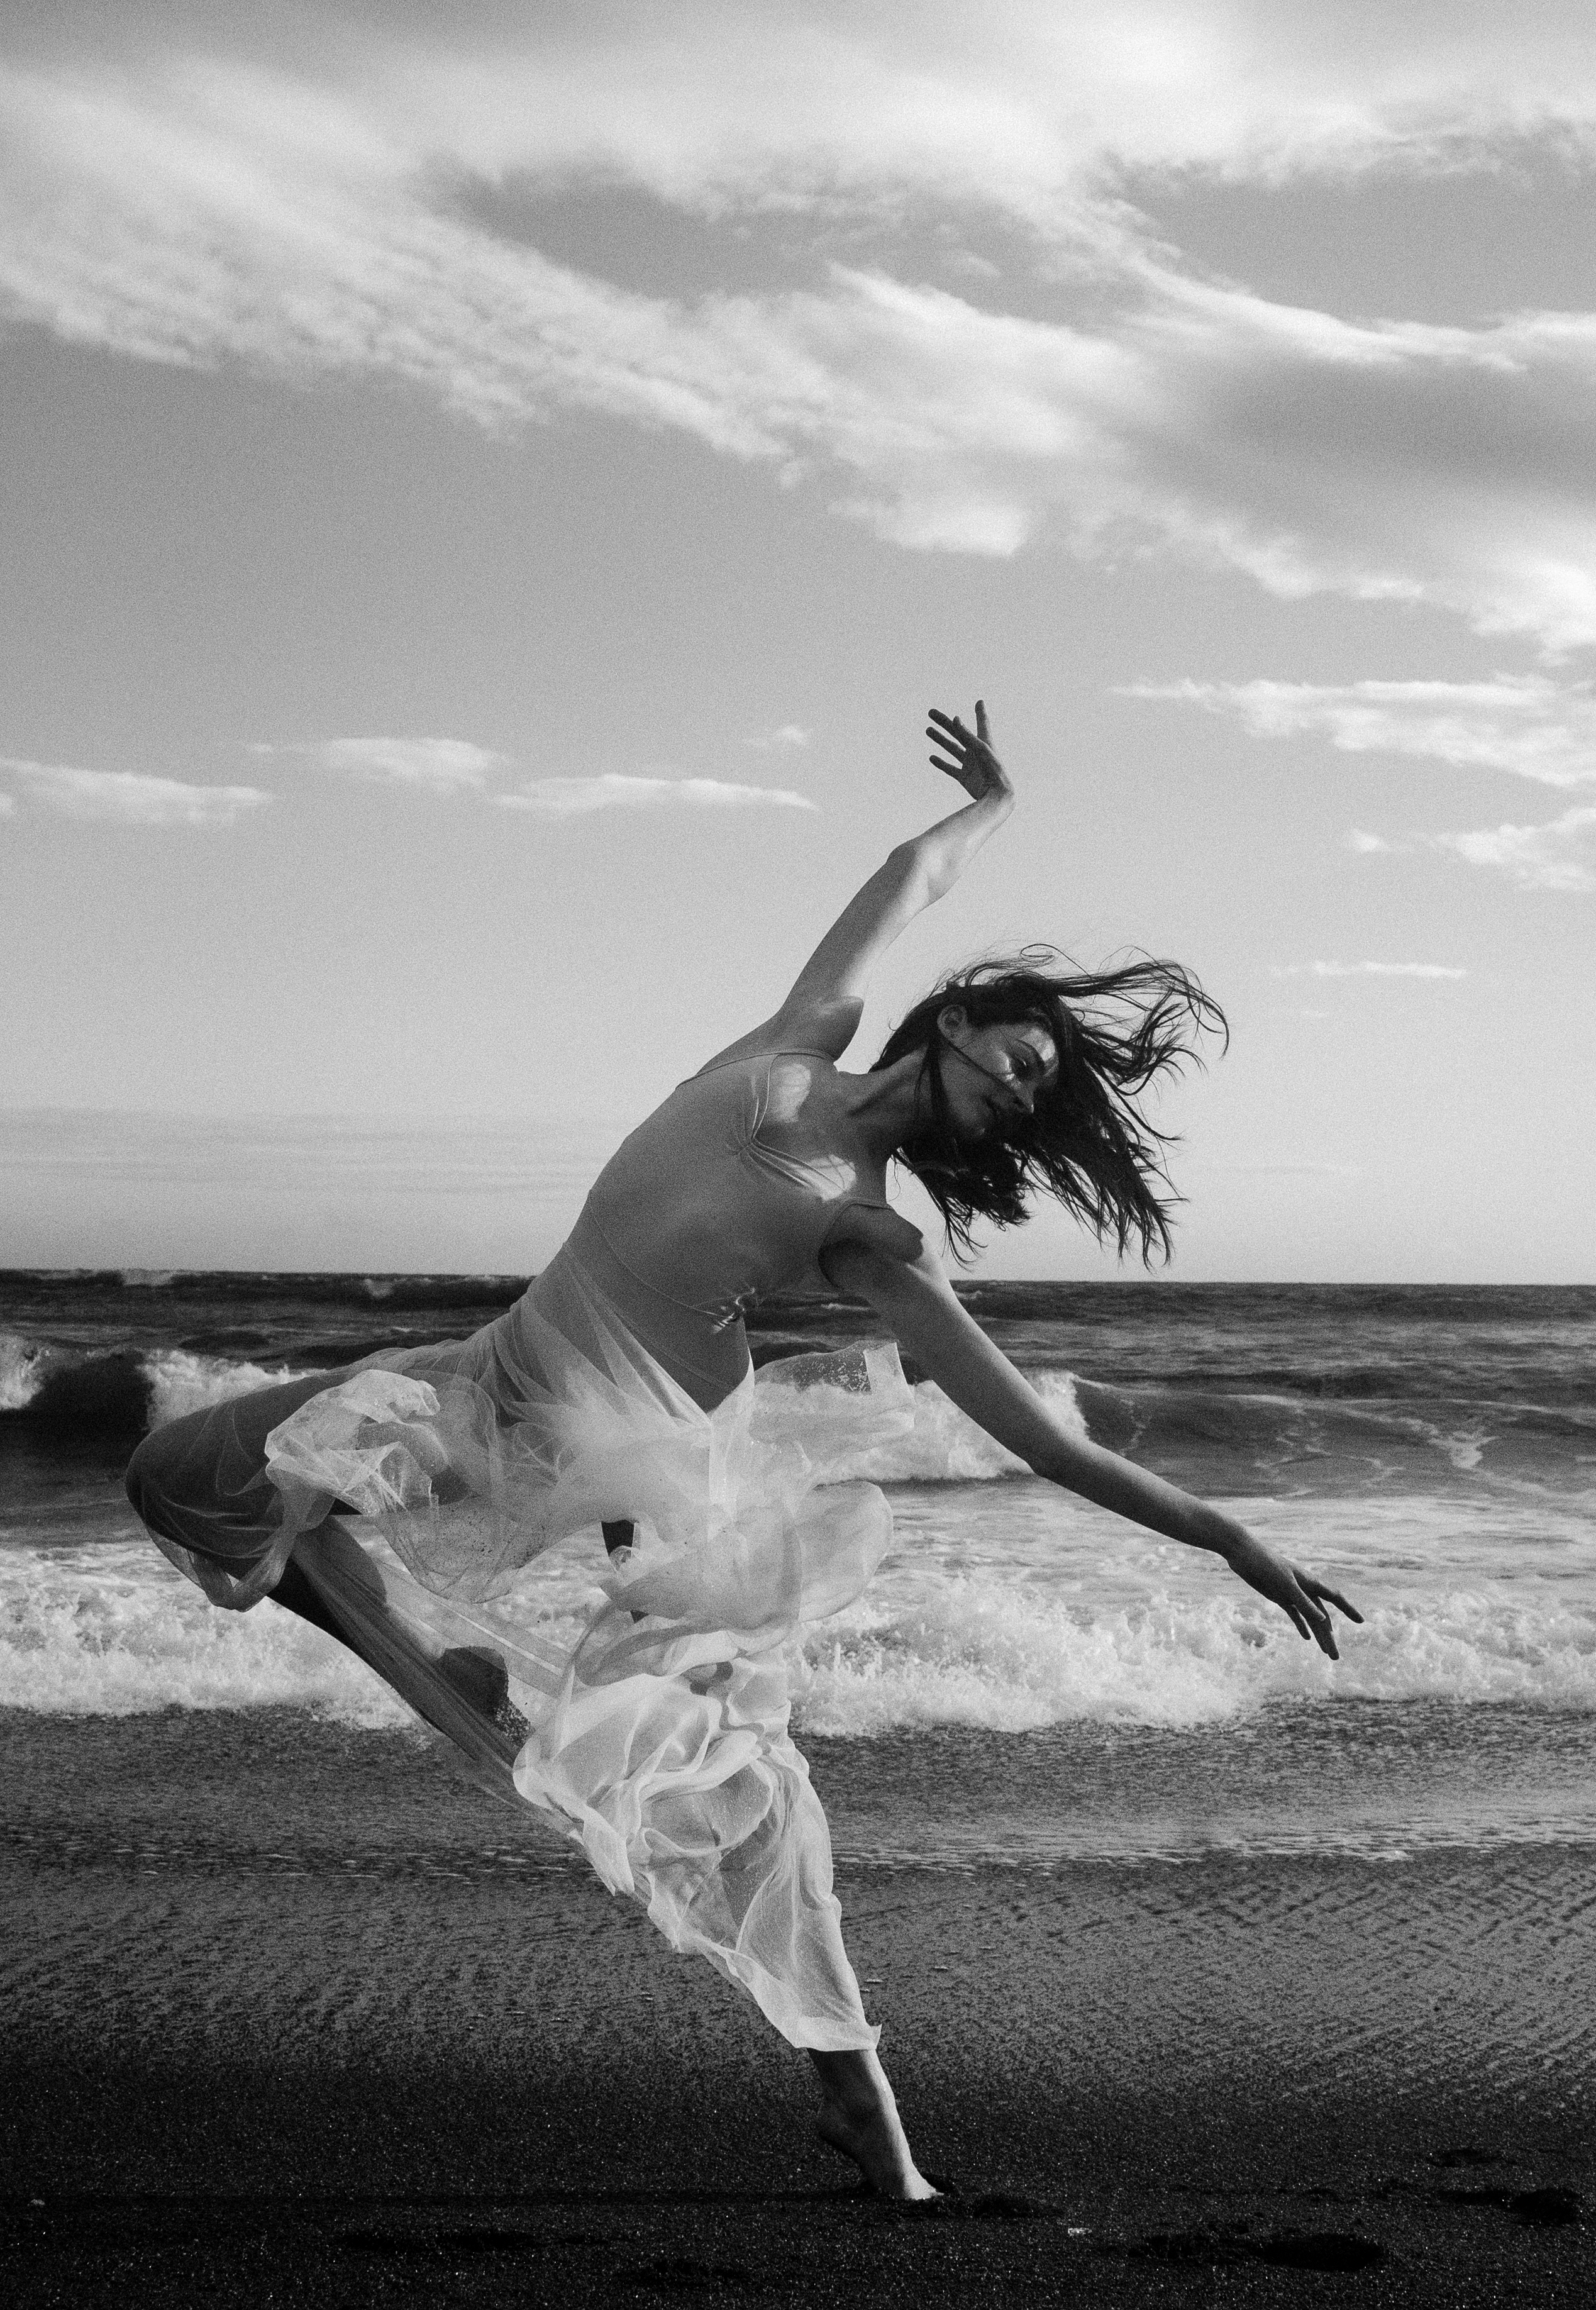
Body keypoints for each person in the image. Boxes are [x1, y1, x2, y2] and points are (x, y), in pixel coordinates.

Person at [125, 702, 1357, 2203]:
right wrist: (997, 808)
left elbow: (1029, 1429)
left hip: (644, 1450)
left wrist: (1221, 1531)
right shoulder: (797, 1045)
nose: (1025, 1089)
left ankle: (856, 2092)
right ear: (958, 1021)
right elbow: (906, 879)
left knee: (729, 1775)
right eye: (1026, 1057)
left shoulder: (869, 1224)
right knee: (180, 1476)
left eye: (1039, 1092)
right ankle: (423, 1661)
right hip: (495, 1373)